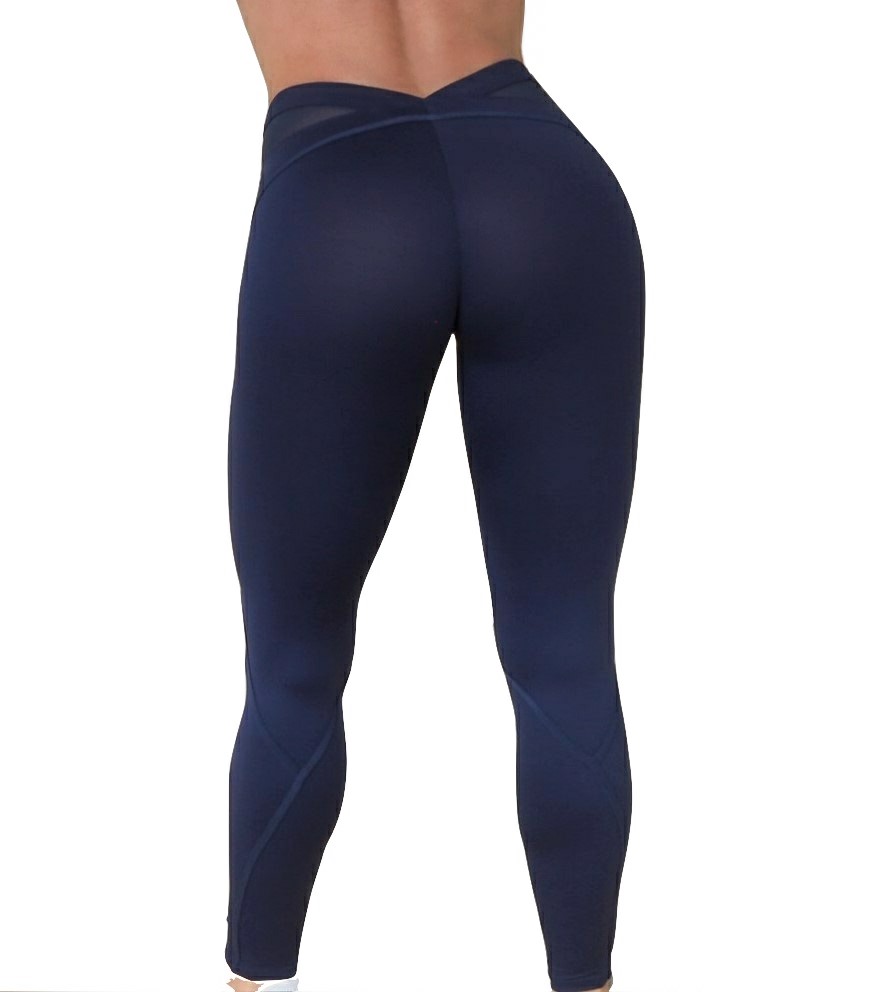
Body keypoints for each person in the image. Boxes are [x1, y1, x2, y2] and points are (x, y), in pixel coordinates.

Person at [224, 2, 645, 991]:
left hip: (340, 195)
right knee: (567, 650)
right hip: (542, 181)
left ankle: (255, 976)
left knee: (292, 664)